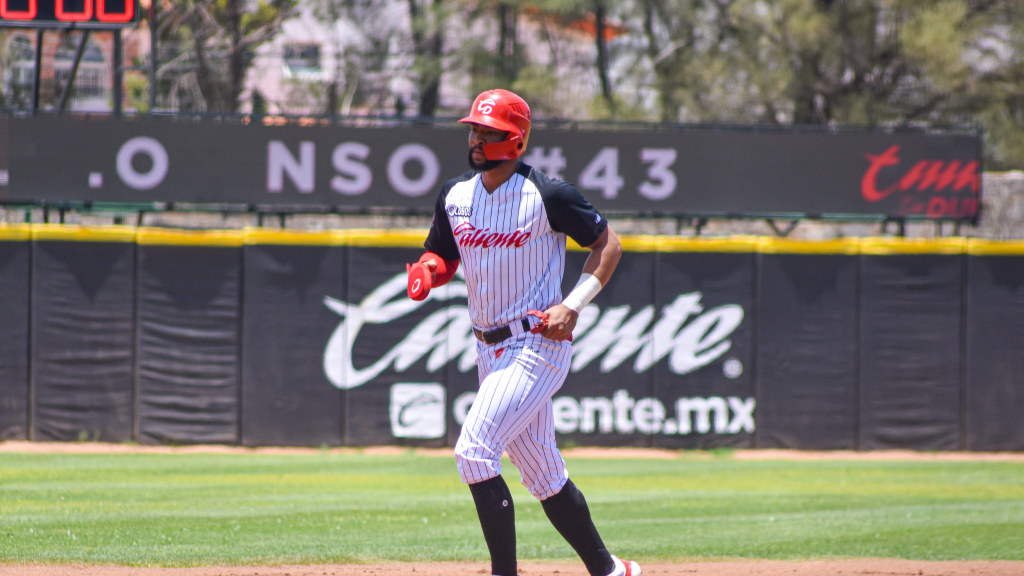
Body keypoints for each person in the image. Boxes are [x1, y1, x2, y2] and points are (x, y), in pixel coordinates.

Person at [405, 88, 640, 576]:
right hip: (487, 348)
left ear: (516, 140)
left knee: (474, 452)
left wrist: (573, 305)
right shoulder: (455, 195)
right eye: (474, 129)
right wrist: (428, 270)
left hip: (537, 343)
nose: (476, 139)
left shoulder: (548, 195)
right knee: (542, 472)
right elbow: (443, 254)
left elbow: (609, 245)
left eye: (488, 132)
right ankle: (611, 571)